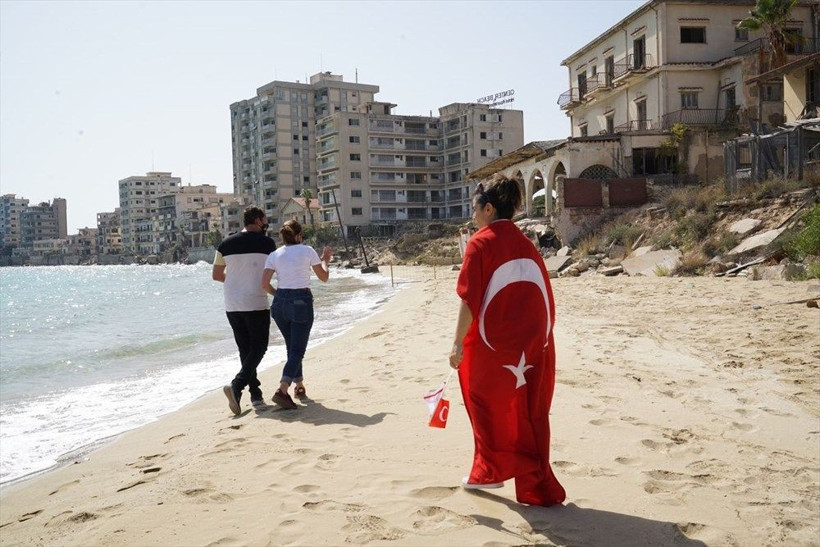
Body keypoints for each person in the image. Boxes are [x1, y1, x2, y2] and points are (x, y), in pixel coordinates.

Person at [449, 174, 566, 507]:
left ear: (488, 208)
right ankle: (535, 483)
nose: (472, 215)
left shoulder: (480, 242)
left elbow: (470, 299)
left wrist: (457, 344)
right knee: (529, 408)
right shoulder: (526, 243)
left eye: (474, 209)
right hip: (531, 345)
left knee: (482, 398)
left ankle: (489, 471)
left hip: (494, 344)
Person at [260, 220, 332, 410]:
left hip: (279, 303)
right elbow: (324, 278)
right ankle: (282, 390)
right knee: (298, 350)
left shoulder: (274, 255)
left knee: (292, 347)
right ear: (299, 235)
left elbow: (264, 284)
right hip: (301, 302)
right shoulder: (307, 250)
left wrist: (280, 296)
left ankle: (299, 387)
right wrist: (325, 260)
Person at [212, 206, 277, 415]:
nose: (265, 223)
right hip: (256, 301)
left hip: (232, 303)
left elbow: (216, 275)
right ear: (258, 220)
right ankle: (237, 386)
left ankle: (254, 395)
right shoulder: (267, 243)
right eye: (264, 219)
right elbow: (277, 269)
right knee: (259, 347)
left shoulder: (225, 243)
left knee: (245, 349)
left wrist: (235, 282)